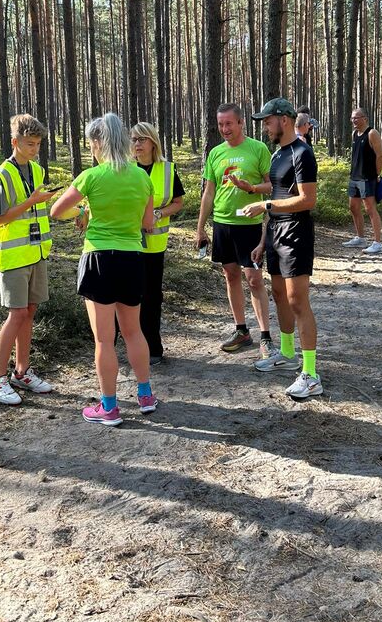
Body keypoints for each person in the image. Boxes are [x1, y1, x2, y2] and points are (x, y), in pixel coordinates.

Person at [50, 113, 157, 425]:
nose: (90, 149)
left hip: (99, 259)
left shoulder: (92, 176)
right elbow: (148, 224)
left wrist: (85, 209)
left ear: (98, 142)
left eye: (90, 144)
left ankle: (109, 407)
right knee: (134, 331)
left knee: (104, 339)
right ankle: (146, 395)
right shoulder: (142, 177)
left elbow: (57, 211)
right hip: (133, 258)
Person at [242, 104, 322, 399]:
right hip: (275, 233)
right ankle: (287, 354)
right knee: (279, 296)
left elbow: (307, 199)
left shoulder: (303, 153)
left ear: (284, 120)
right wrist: (263, 239)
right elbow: (276, 196)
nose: (265, 127)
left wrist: (265, 206)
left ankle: (311, 374)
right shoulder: (276, 155)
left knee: (297, 301)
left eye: (268, 121)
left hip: (296, 233)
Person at [0, 114, 59, 405]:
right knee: (16, 314)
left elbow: (40, 210)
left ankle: (22, 372)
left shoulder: (37, 171)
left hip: (36, 251)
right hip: (13, 254)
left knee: (29, 311)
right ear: (14, 142)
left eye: (38, 144)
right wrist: (31, 202)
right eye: (29, 144)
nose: (34, 150)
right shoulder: (1, 175)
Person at [195, 102, 273, 357]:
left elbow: (271, 186)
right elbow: (209, 192)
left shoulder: (258, 149)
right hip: (222, 224)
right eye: (221, 124)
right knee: (230, 276)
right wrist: (201, 228)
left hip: (249, 224)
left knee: (254, 279)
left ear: (241, 123)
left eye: (229, 123)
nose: (225, 129)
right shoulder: (215, 153)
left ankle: (265, 336)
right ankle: (242, 331)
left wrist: (250, 188)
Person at [131, 122, 185, 365]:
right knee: (128, 296)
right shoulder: (124, 169)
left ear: (153, 142)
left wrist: (159, 214)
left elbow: (178, 202)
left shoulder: (167, 169)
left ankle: (153, 348)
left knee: (152, 297)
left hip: (154, 246)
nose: (137, 144)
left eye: (142, 139)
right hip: (128, 243)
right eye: (133, 140)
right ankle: (124, 346)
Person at [343, 107, 382, 255]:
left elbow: (380, 155)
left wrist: (377, 174)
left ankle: (377, 242)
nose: (354, 120)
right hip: (354, 177)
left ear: (365, 118)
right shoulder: (355, 134)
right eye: (352, 118)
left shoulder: (372, 133)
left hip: (368, 177)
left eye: (356, 118)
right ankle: (360, 238)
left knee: (370, 209)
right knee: (353, 207)